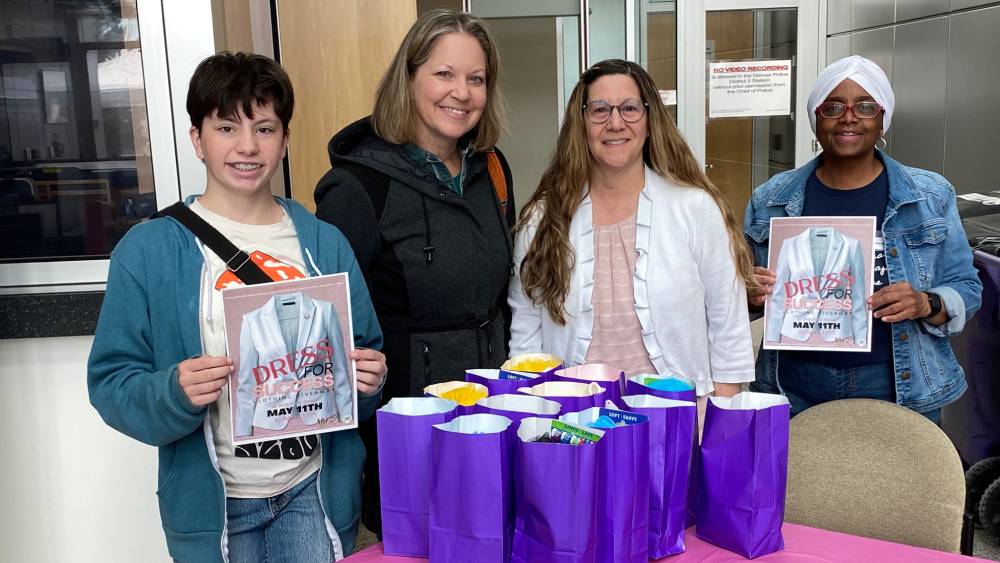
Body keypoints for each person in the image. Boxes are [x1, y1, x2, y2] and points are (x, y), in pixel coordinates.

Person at [87, 52, 388, 562]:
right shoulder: (149, 250)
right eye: (227, 127)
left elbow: (363, 357)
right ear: (197, 139)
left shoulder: (324, 242)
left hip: (311, 491)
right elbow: (111, 383)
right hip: (214, 507)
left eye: (265, 128)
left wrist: (369, 381)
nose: (247, 146)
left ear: (286, 139)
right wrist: (173, 392)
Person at [312, 10, 513, 535]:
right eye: (444, 74)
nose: (462, 93)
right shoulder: (356, 188)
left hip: (490, 409)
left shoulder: (491, 170)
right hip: (407, 424)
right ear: (409, 78)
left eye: (476, 78)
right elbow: (327, 329)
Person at [745, 55, 982, 422]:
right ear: (816, 119)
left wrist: (925, 302)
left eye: (866, 106)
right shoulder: (770, 199)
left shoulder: (930, 195)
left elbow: (967, 287)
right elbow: (742, 297)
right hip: (794, 384)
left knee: (900, 481)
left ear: (882, 118)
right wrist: (750, 295)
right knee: (798, 481)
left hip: (899, 381)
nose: (849, 117)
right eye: (833, 106)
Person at [508, 59, 756, 401]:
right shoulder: (543, 218)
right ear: (581, 122)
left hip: (677, 423)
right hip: (574, 425)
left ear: (650, 120)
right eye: (599, 110)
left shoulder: (694, 208)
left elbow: (728, 321)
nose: (615, 123)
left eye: (629, 108)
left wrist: (716, 417)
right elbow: (526, 328)